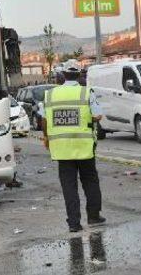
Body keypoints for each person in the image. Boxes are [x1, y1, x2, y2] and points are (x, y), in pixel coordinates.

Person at [41, 60, 105, 233]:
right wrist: (86, 118)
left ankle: (74, 223)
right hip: (84, 147)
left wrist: (46, 137)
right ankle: (93, 216)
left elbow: (44, 119)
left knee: (69, 186)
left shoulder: (50, 95)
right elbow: (98, 115)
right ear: (79, 75)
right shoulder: (86, 93)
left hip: (62, 148)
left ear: (62, 75)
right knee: (90, 181)